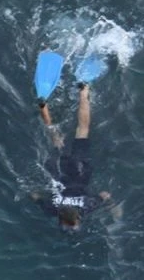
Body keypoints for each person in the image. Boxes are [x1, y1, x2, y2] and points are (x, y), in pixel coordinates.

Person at [36, 82, 112, 231]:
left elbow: (105, 195)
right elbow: (35, 195)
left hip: (79, 170)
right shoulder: (52, 208)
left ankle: (83, 92)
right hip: (59, 170)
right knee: (55, 139)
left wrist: (114, 211)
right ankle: (43, 106)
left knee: (82, 130)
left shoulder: (87, 206)